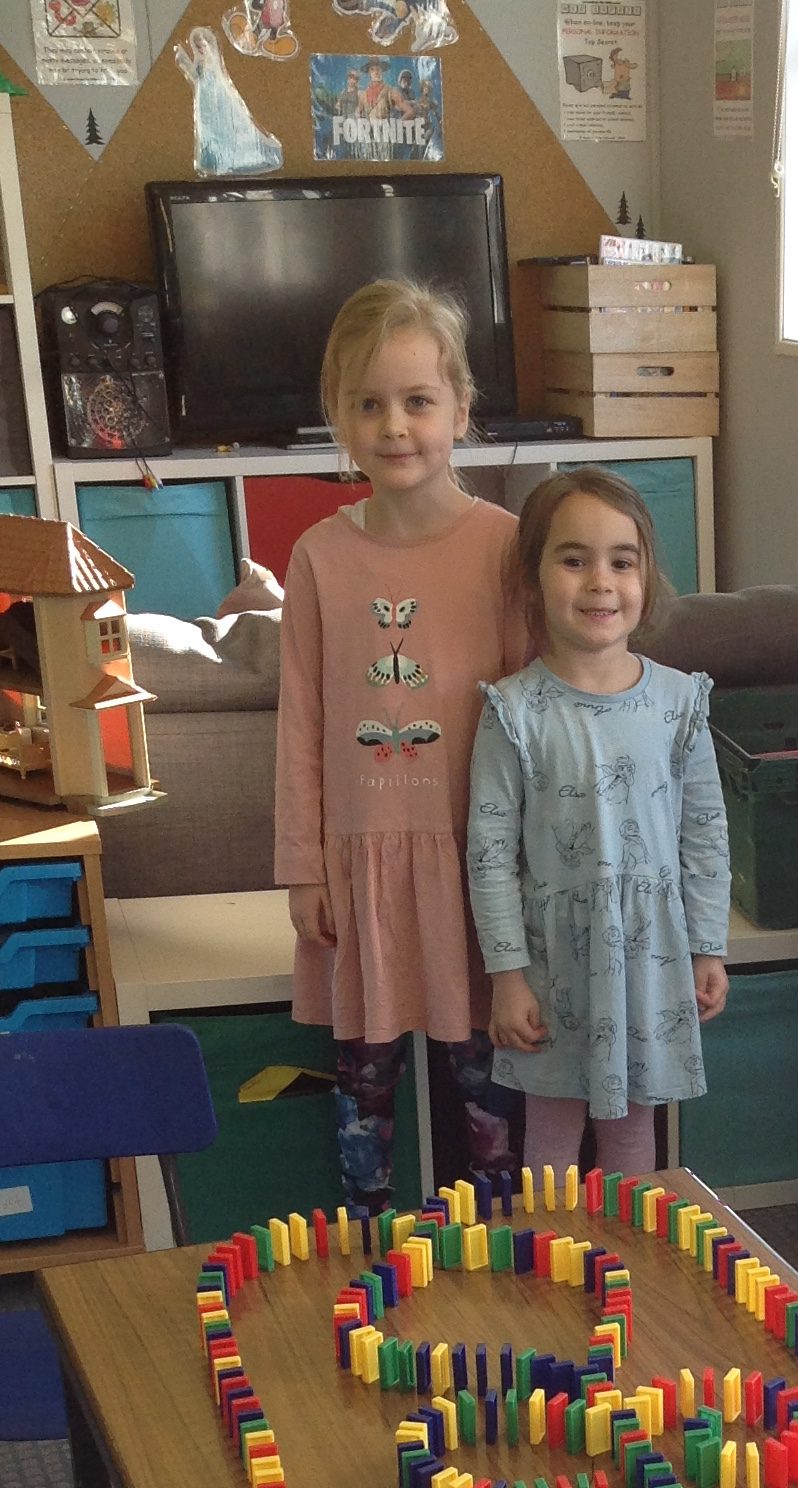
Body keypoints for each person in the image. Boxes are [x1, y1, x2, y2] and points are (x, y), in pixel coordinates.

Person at [274, 278, 528, 1212]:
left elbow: (534, 716)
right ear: (338, 416)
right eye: (368, 404)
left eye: (417, 401)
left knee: (489, 1082)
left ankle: (497, 1240)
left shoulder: (508, 548)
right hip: (360, 866)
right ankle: (368, 1239)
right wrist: (303, 867)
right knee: (363, 1085)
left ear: (459, 408)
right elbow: (301, 723)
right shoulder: (318, 557)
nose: (394, 426)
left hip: (480, 868)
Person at [466, 468, 730, 1181]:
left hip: (652, 957)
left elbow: (705, 833)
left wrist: (707, 947)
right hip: (552, 963)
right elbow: (490, 854)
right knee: (552, 1129)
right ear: (533, 578)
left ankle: (627, 1247)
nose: (600, 583)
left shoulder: (679, 701)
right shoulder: (513, 711)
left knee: (634, 1130)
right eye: (574, 559)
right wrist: (507, 977)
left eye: (621, 561)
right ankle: (554, 1249)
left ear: (645, 577)